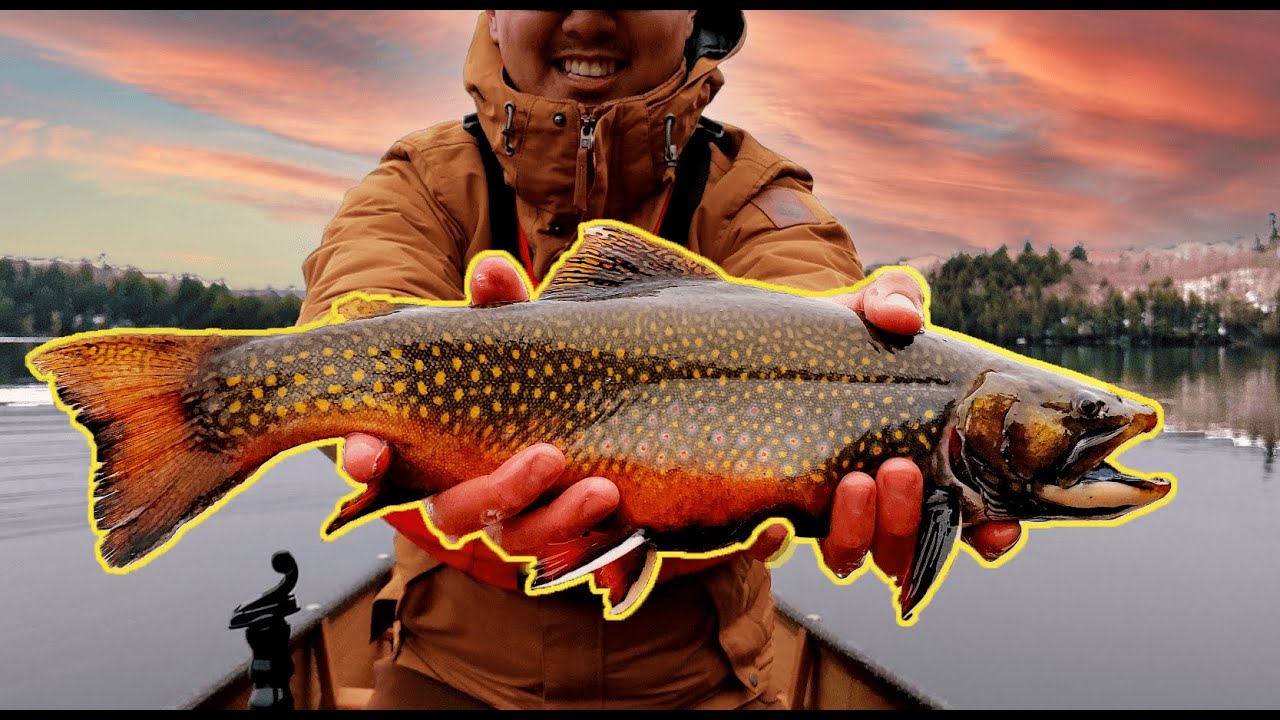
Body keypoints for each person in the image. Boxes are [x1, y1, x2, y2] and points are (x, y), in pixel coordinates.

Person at [297, 10, 1020, 710]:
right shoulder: (422, 181)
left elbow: (806, 277)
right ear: (492, 16)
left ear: (693, 18)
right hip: (445, 666)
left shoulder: (754, 191)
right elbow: (358, 289)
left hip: (704, 682)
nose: (588, 19)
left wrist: (857, 334)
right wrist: (392, 404)